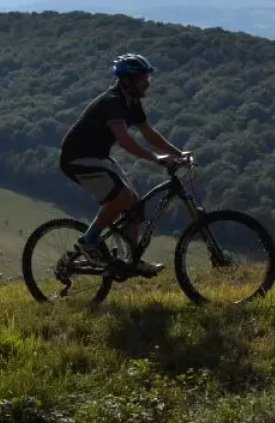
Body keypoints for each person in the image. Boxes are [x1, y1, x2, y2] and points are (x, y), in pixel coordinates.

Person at [59, 53, 188, 277]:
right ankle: (89, 241)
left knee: (134, 207)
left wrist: (178, 153)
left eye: (148, 78)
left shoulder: (132, 102)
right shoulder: (114, 102)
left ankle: (132, 259)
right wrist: (156, 158)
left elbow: (149, 133)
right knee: (123, 197)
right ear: (127, 81)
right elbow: (124, 139)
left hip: (98, 157)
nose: (147, 83)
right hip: (77, 159)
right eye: (142, 79)